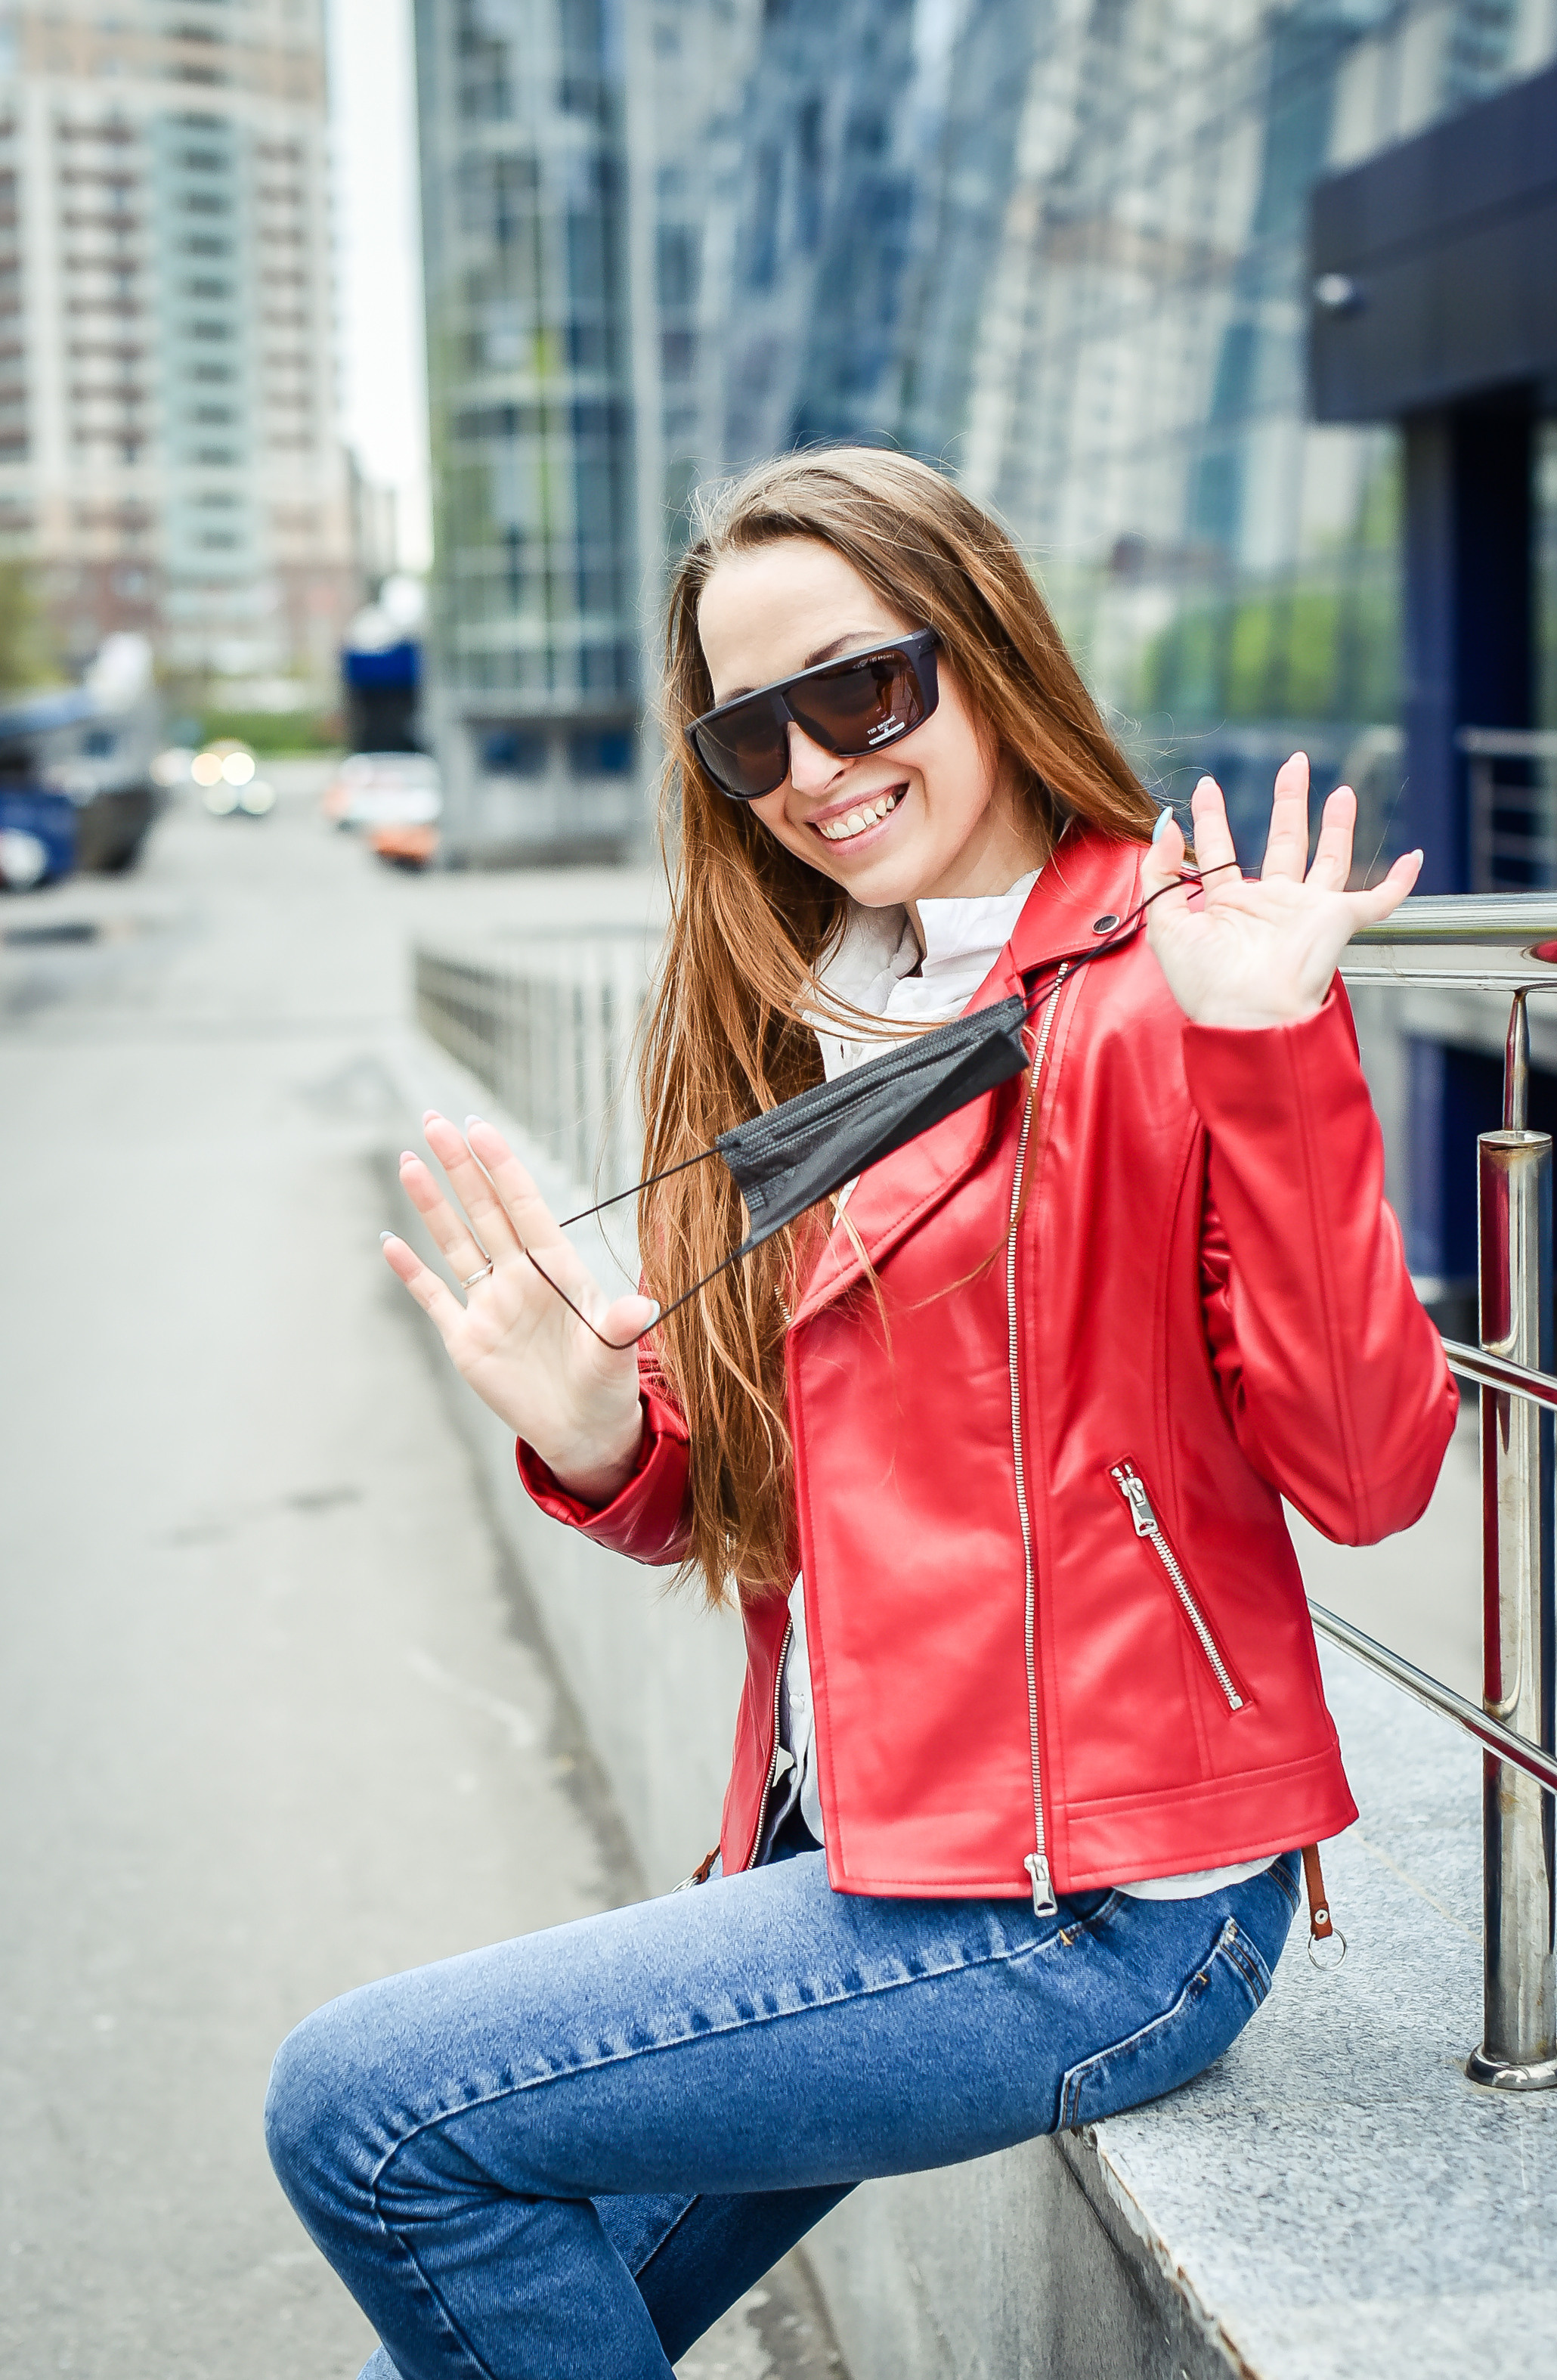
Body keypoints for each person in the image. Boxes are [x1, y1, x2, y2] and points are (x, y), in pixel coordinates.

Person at [265, 448, 1456, 2378]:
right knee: (486, 2260)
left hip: (1096, 1900)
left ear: (982, 648)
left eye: (863, 688)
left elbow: (1369, 1464)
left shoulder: (1175, 978)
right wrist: (595, 1430)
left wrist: (1274, 1059)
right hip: (864, 1834)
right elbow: (750, 1489)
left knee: (370, 2115)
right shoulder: (810, 999)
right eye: (753, 733)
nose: (817, 769)